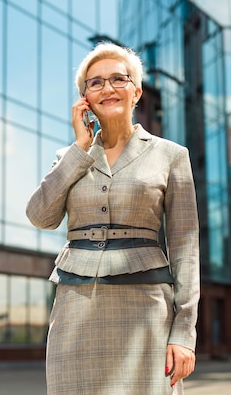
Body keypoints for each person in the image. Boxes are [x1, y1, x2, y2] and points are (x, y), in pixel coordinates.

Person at [26, 42, 200, 394]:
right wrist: (78, 149)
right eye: (96, 82)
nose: (107, 88)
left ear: (136, 92)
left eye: (118, 79)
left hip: (146, 308)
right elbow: (41, 216)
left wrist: (184, 332)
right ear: (84, 99)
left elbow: (185, 247)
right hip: (75, 306)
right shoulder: (68, 156)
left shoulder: (172, 156)